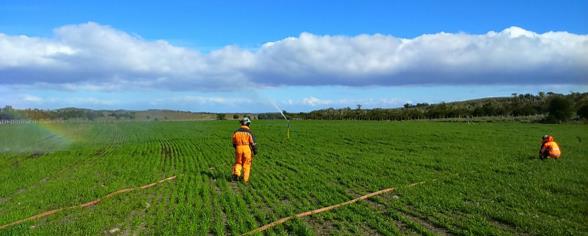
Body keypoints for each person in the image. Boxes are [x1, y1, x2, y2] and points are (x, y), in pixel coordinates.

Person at [231, 117, 257, 183]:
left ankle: (236, 174)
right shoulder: (249, 132)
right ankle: (245, 180)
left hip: (238, 148)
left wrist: (237, 148)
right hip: (247, 149)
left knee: (238, 162)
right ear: (248, 124)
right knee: (247, 164)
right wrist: (255, 151)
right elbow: (253, 143)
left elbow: (233, 143)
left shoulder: (236, 132)